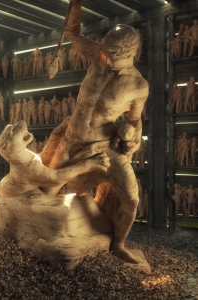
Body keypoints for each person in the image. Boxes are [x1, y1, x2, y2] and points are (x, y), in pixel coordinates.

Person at [40, 0, 149, 264]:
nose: (110, 60)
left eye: (117, 56)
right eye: (108, 54)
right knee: (45, 193)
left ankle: (118, 245)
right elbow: (73, 34)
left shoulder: (138, 85)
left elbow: (135, 121)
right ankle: (38, 242)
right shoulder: (98, 55)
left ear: (133, 52)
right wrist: (75, 4)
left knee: (131, 200)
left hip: (105, 148)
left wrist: (132, 140)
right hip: (72, 140)